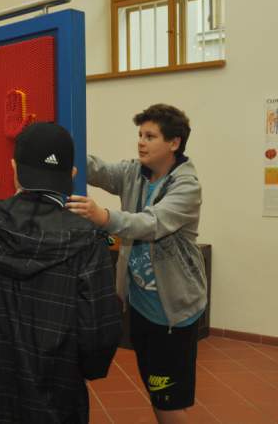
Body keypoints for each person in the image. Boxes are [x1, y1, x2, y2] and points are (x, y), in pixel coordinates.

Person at [0, 122, 122, 424]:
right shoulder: (87, 239)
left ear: (14, 168)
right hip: (55, 396)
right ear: (72, 175)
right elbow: (99, 331)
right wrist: (87, 368)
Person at [66, 104, 207, 424]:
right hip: (141, 309)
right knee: (156, 393)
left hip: (173, 314)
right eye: (140, 135)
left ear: (174, 143)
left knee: (168, 400)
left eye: (150, 136)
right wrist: (65, 149)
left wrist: (103, 216)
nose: (141, 142)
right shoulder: (134, 172)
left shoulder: (186, 186)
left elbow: (151, 223)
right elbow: (98, 169)